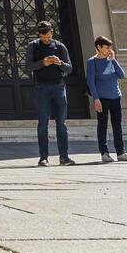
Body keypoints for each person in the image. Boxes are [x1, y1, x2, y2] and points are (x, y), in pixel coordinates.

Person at [25, 21, 76, 166]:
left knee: (61, 123)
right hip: (41, 88)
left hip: (59, 87)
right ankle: (43, 157)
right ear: (39, 34)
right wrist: (43, 63)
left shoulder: (60, 46)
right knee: (43, 123)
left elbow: (69, 68)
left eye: (48, 36)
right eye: (43, 37)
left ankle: (64, 157)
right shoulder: (33, 46)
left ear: (52, 33)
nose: (46, 39)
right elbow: (28, 66)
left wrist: (59, 62)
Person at [86, 36, 127, 164]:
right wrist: (96, 99)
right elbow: (90, 82)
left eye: (109, 47)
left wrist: (113, 60)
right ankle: (104, 153)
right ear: (99, 47)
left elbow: (121, 75)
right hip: (102, 98)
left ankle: (120, 153)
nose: (108, 50)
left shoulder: (111, 60)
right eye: (106, 47)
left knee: (117, 124)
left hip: (115, 96)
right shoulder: (92, 62)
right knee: (102, 125)